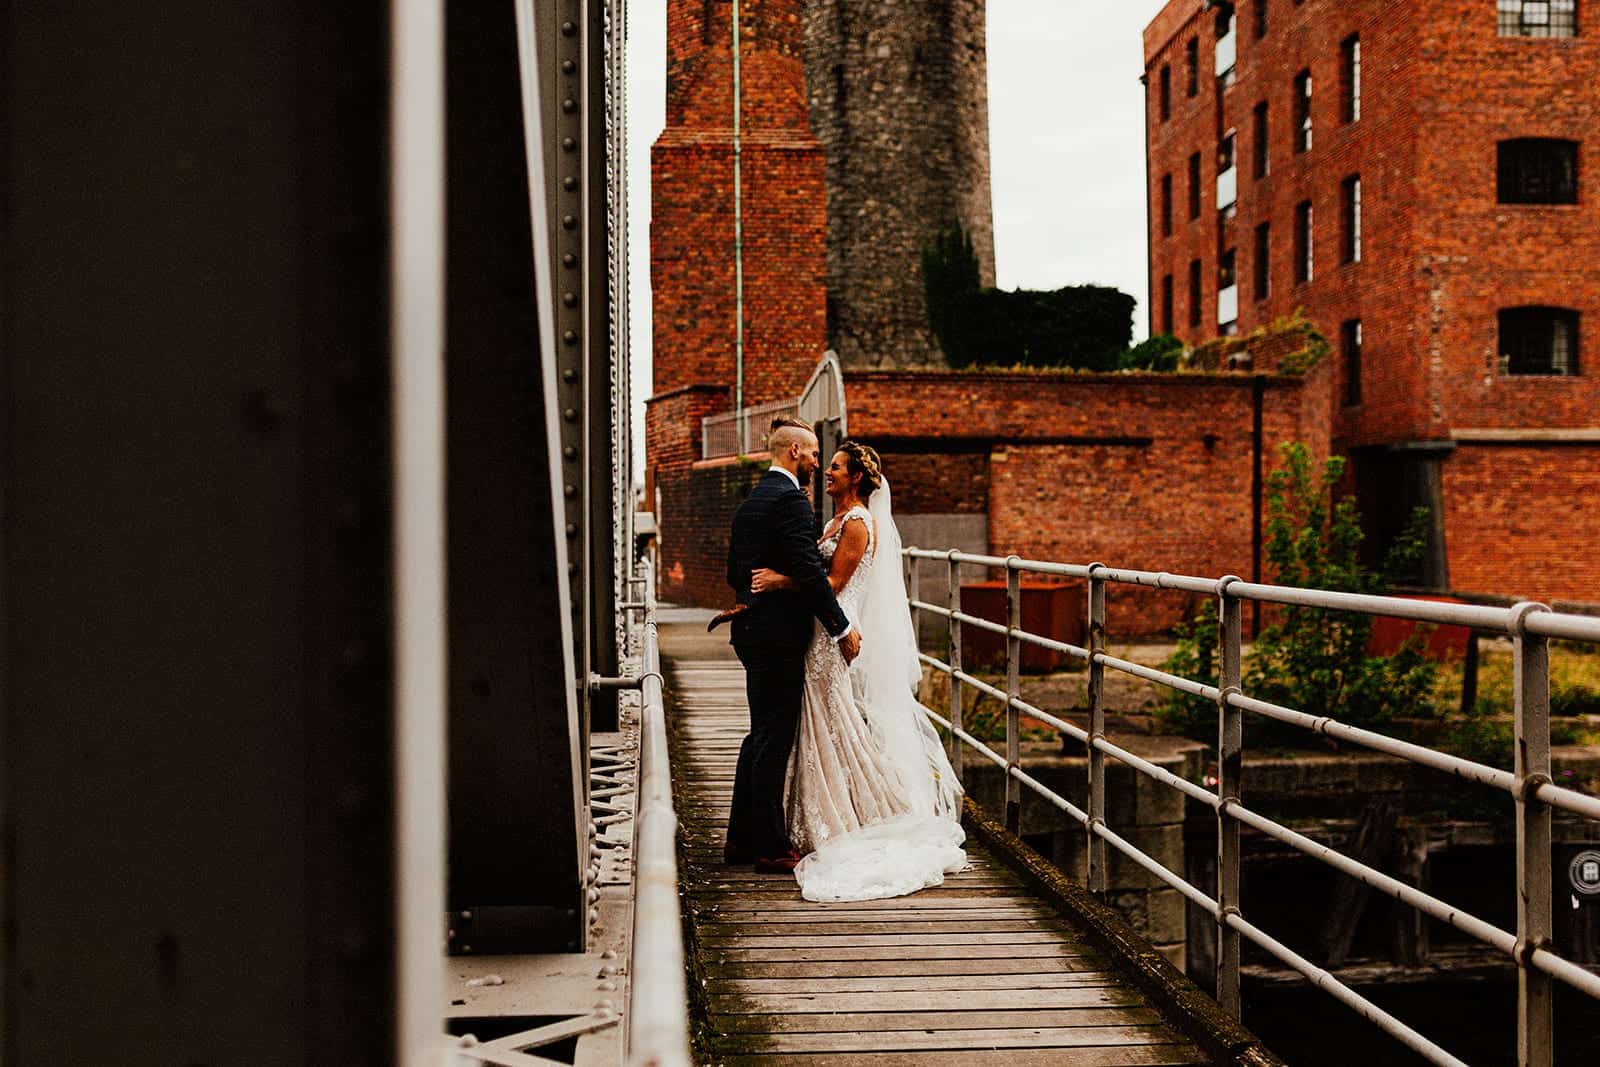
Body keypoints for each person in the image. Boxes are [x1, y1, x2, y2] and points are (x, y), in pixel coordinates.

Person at [748, 439, 966, 901]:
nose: (827, 472)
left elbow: (832, 583)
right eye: (826, 465)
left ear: (856, 478)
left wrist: (777, 580)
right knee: (824, 724)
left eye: (836, 468)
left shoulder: (859, 523)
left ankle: (862, 813)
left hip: (830, 636)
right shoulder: (833, 521)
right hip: (816, 630)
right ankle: (821, 814)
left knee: (832, 722)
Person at [722, 418, 863, 874]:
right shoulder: (791, 503)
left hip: (752, 633)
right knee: (774, 738)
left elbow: (734, 575)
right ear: (795, 453)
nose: (818, 464)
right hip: (777, 637)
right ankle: (769, 846)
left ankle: (741, 841)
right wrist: (841, 628)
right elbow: (810, 574)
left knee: (758, 736)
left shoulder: (752, 502)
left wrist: (756, 594)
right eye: (815, 455)